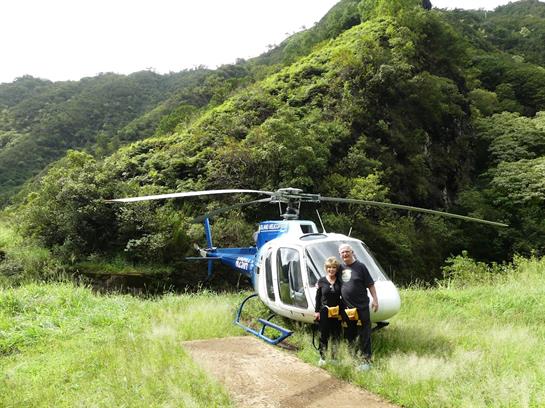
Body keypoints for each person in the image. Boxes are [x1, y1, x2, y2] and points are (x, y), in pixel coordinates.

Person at [338, 243, 379, 371]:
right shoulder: (339, 268)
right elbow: (331, 279)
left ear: (352, 252)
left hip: (361, 307)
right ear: (340, 255)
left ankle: (366, 361)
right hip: (347, 308)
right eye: (342, 252)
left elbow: (370, 285)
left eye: (347, 251)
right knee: (349, 333)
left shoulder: (361, 267)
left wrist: (375, 300)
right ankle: (352, 357)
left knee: (364, 334)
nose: (345, 254)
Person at [314, 256, 343, 366]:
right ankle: (323, 358)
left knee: (336, 335)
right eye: (329, 267)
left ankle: (334, 358)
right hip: (324, 311)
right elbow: (318, 297)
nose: (331, 269)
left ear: (337, 268)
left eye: (334, 267)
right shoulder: (321, 281)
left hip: (337, 312)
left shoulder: (340, 281)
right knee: (324, 335)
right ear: (326, 268)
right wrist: (317, 312)